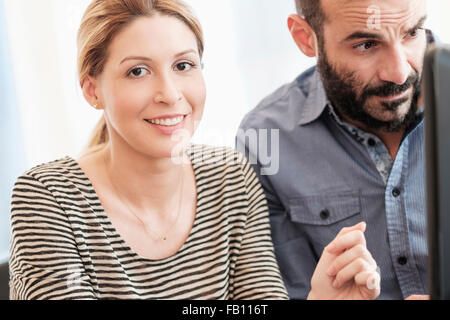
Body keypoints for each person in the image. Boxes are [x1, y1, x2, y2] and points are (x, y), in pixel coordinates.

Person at [9, 0, 379, 300]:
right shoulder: (47, 197)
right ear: (93, 91)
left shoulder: (230, 177)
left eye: (183, 65)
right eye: (138, 71)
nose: (170, 93)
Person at [237, 0, 433, 300]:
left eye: (412, 32)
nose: (398, 72)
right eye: (367, 44)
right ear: (306, 38)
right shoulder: (266, 139)